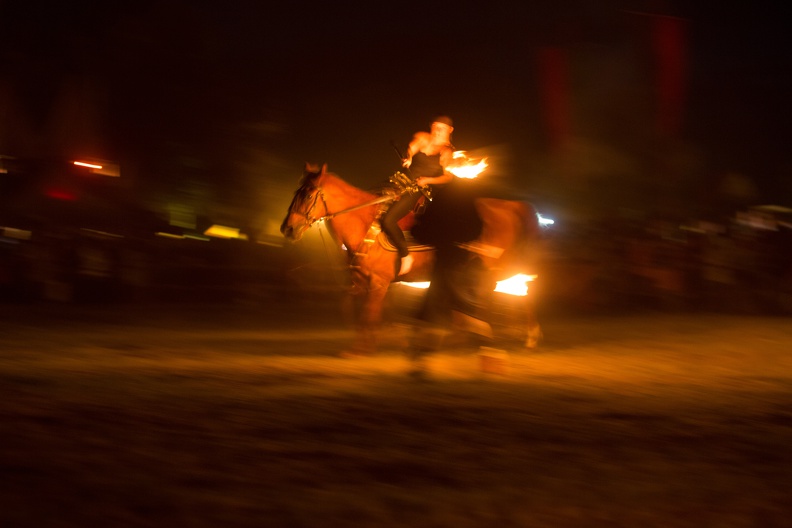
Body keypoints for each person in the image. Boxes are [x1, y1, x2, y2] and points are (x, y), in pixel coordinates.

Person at [382, 116, 456, 275]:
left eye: (441, 128)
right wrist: (408, 157)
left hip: (418, 189)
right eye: (435, 127)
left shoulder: (447, 151)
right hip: (402, 180)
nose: (437, 131)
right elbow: (412, 148)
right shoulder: (423, 137)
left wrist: (427, 180)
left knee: (388, 220)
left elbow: (448, 177)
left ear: (450, 130)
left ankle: (405, 255)